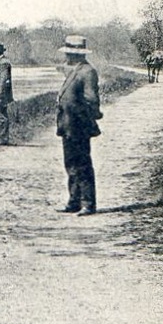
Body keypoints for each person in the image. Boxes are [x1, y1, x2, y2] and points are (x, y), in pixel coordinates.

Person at [56, 35, 102, 215]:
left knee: (82, 164)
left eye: (69, 53)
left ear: (77, 55)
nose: (66, 56)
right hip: (68, 125)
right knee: (70, 163)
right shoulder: (74, 70)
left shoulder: (87, 72)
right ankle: (74, 200)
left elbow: (91, 100)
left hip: (78, 126)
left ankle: (88, 204)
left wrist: (84, 118)